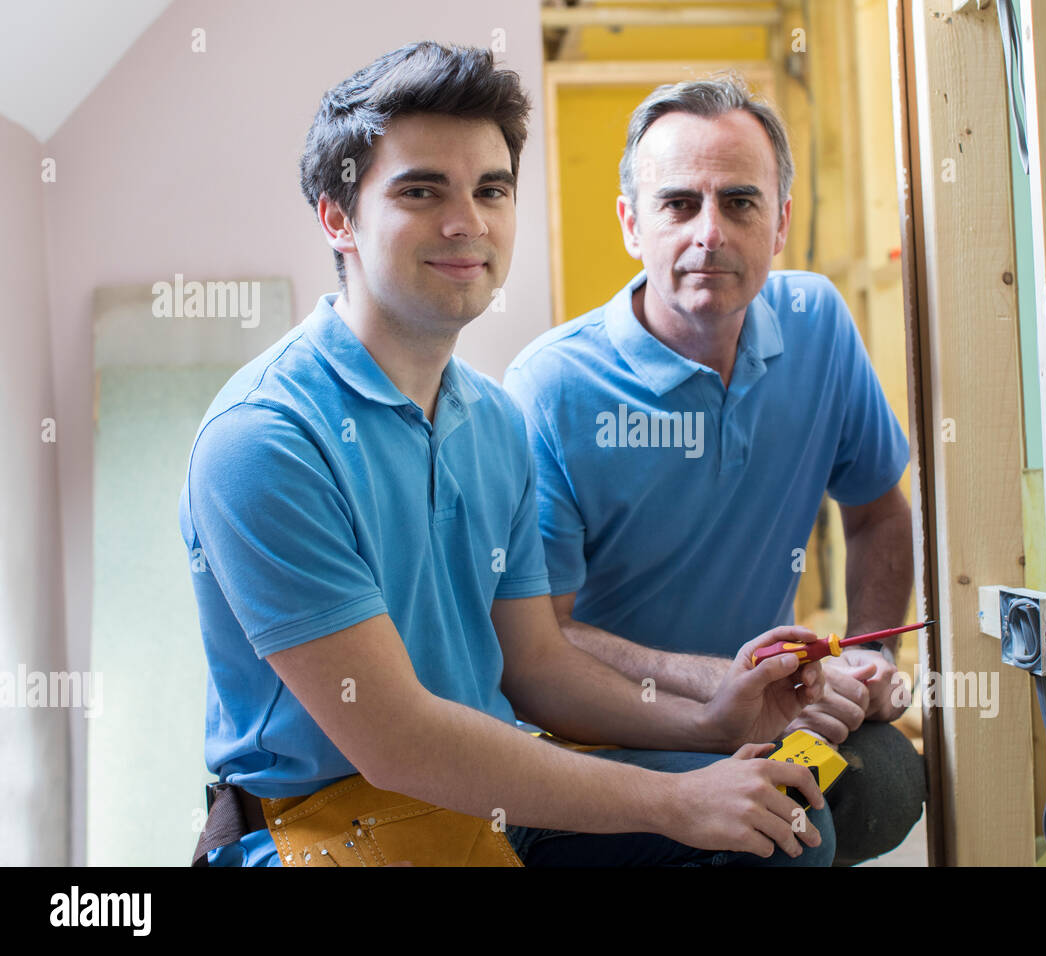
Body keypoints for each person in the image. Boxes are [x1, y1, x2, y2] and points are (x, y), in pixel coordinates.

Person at [180, 42, 837, 868]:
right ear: (337, 217)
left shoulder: (492, 419)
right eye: (422, 191)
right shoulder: (265, 438)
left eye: (492, 190)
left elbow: (536, 667)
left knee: (778, 833)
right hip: (326, 823)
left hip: (485, 795)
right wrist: (675, 801)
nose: (468, 222)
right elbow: (399, 742)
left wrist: (712, 723)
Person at [503, 75, 926, 865]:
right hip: (597, 741)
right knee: (787, 834)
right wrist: (721, 690)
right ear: (631, 223)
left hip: (765, 721)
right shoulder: (550, 389)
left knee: (892, 778)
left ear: (781, 222)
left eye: (740, 202)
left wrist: (871, 653)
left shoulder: (818, 324)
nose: (711, 233)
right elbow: (545, 637)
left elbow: (878, 512)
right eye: (678, 204)